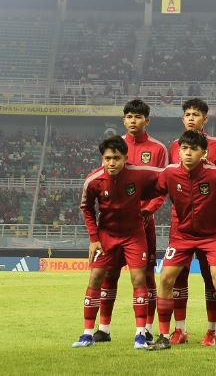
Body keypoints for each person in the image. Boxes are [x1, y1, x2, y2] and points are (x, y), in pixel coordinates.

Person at [147, 130, 216, 352]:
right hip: (182, 236)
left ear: (203, 153)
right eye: (184, 148)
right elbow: (150, 190)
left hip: (213, 235)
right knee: (166, 278)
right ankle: (164, 336)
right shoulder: (169, 174)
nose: (187, 153)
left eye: (193, 149)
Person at [73, 135, 160, 349]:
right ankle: (87, 334)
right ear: (102, 158)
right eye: (107, 158)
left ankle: (140, 334)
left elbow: (166, 177)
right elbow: (85, 208)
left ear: (125, 158)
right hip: (106, 236)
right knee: (95, 279)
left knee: (139, 279)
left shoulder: (139, 174)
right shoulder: (93, 180)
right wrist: (94, 238)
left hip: (134, 235)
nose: (111, 163)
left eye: (116, 158)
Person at [93, 99, 168, 344]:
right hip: (114, 227)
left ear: (147, 120)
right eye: (129, 116)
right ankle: (103, 328)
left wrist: (148, 210)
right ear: (124, 119)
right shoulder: (115, 147)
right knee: (109, 275)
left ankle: (145, 328)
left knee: (146, 277)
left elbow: (161, 187)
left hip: (143, 224)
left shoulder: (157, 149)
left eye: (138, 117)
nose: (132, 121)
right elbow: (104, 180)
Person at [168, 98, 216, 346]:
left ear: (205, 119)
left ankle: (212, 330)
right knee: (177, 278)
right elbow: (168, 179)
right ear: (183, 119)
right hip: (180, 225)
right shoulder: (175, 146)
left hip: (210, 226)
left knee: (211, 278)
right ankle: (179, 329)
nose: (192, 118)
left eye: (197, 114)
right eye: (188, 114)